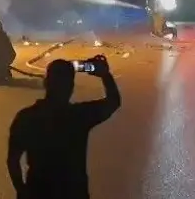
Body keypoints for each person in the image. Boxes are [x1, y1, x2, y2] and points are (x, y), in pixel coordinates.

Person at [7, 55, 121, 199]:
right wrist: (105, 75)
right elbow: (114, 101)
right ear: (71, 87)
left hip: (38, 191)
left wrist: (21, 190)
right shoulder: (79, 116)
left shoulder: (26, 117)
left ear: (46, 83)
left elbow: (13, 160)